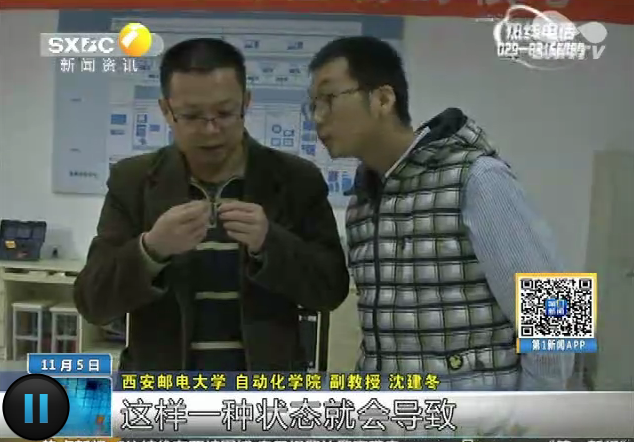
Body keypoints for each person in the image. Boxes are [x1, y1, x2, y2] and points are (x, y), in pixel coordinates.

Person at [308, 36, 581, 391]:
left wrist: (534, 414)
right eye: (313, 104)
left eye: (329, 99)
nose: (317, 117)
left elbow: (558, 309)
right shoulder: (362, 203)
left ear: (383, 99)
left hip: (480, 416)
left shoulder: (477, 177)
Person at [74, 38, 350, 371]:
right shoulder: (133, 181)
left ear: (246, 103)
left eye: (224, 113)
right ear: (166, 110)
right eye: (191, 115)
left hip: (265, 391)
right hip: (163, 391)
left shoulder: (296, 179)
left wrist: (270, 243)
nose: (210, 129)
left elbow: (330, 291)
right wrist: (151, 249)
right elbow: (93, 303)